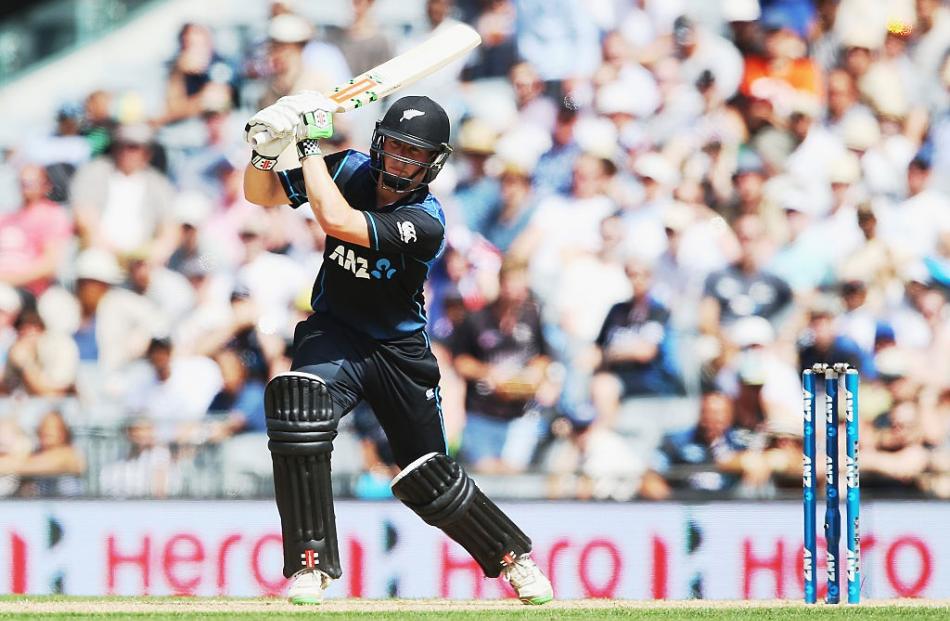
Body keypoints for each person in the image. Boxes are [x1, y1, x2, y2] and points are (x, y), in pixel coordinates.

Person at [242, 92, 553, 604]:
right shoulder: (348, 168)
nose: (402, 162)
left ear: (433, 164)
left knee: (426, 476)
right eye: (397, 149)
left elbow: (338, 221)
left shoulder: (427, 219)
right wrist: (262, 150)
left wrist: (308, 143)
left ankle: (513, 558)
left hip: (397, 349)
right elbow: (261, 195)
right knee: (298, 410)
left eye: (416, 155)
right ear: (379, 143)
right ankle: (310, 566)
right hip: (336, 329)